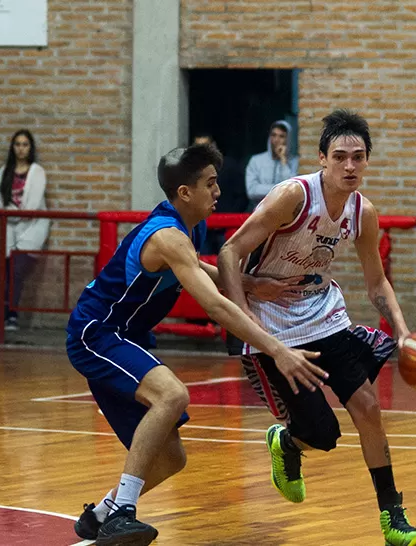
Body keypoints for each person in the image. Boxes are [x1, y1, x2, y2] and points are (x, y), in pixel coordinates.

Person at [66, 143, 327, 545]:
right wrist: (277, 348)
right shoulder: (168, 235)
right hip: (97, 333)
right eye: (210, 183)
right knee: (173, 395)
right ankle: (122, 514)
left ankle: (99, 516)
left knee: (172, 459)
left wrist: (252, 283)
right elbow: (215, 307)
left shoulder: (188, 227)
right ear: (184, 192)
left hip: (125, 336)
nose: (218, 191)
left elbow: (196, 267)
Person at [218, 110, 416, 546]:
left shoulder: (363, 213)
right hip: (274, 327)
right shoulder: (292, 197)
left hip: (323, 314)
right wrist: (246, 313)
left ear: (368, 161)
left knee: (369, 408)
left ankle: (394, 518)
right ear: (322, 159)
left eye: (358, 157)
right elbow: (228, 251)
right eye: (340, 157)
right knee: (323, 435)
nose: (350, 166)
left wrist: (404, 331)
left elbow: (376, 282)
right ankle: (288, 442)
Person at [0, 129, 50, 331]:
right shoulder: (4, 170)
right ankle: (5, 316)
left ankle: (9, 315)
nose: (20, 148)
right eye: (17, 144)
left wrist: (11, 213)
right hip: (9, 229)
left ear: (30, 148)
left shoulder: (37, 172)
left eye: (25, 144)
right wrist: (11, 212)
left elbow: (31, 207)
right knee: (7, 273)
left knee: (17, 271)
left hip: (31, 228)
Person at [192, 133, 247, 255]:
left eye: (205, 147)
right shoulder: (192, 171)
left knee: (228, 262)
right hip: (202, 226)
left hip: (226, 226)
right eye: (198, 148)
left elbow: (241, 196)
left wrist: (230, 218)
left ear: (213, 146)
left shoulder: (230, 166)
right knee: (202, 263)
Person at [245, 120, 298, 211]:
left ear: (288, 139)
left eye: (281, 136)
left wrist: (283, 161)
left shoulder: (295, 162)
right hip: (259, 213)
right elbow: (252, 191)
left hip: (285, 214)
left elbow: (292, 189)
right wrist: (280, 189)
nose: (276, 140)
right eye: (273, 135)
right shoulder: (256, 161)